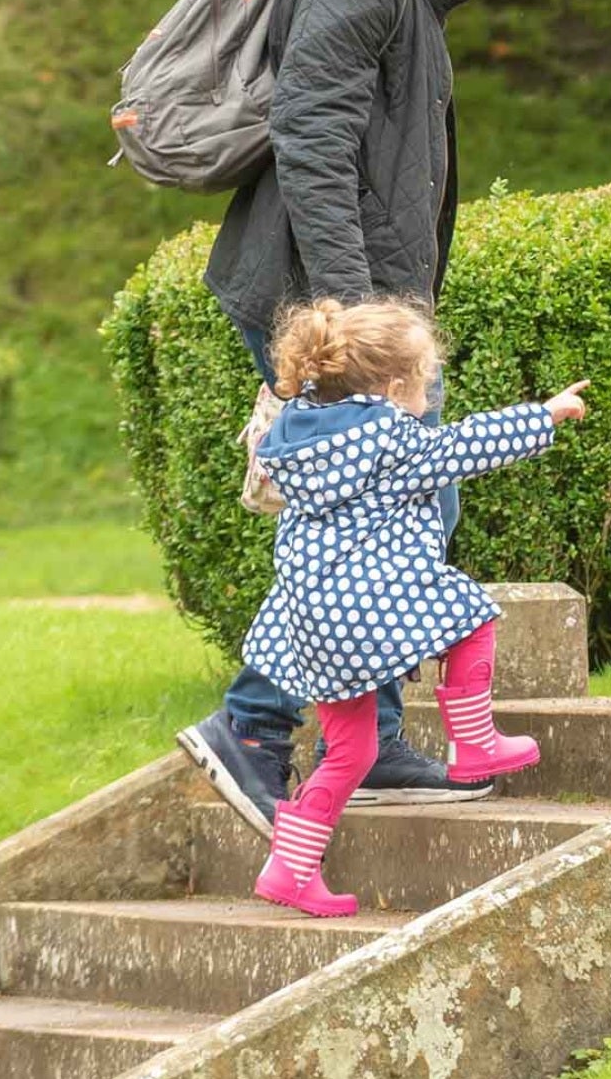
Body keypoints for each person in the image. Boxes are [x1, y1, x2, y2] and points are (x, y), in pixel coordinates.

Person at [177, 0, 541, 833]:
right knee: (380, 530)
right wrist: (352, 334)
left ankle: (371, 743)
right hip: (330, 310)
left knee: (380, 525)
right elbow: (312, 140)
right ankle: (248, 730)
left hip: (343, 306)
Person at [237, 298, 590, 917]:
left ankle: (290, 868)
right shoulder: (392, 437)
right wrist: (546, 414)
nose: (429, 394)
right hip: (371, 605)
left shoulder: (298, 430)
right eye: (426, 382)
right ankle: (474, 744)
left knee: (351, 751)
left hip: (311, 621)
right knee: (473, 618)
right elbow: (467, 446)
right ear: (396, 386)